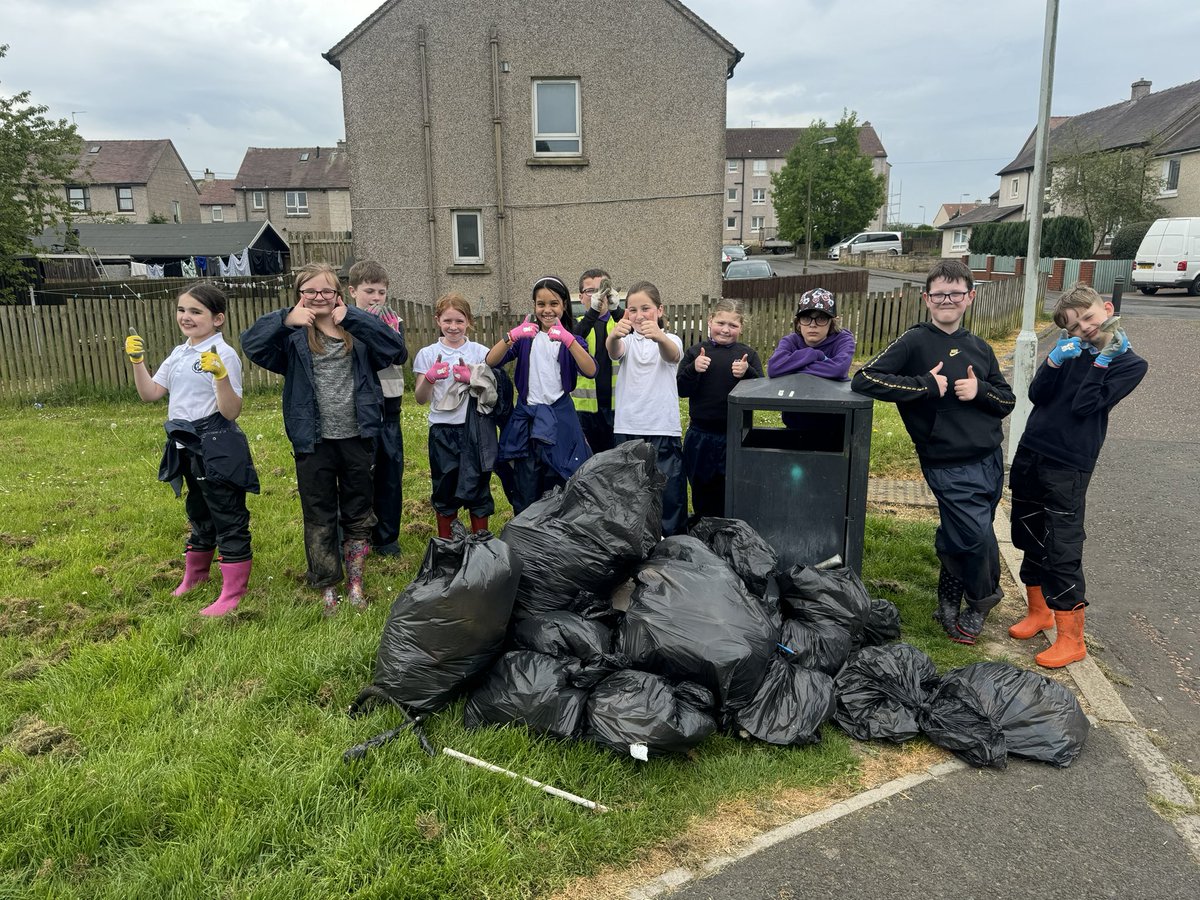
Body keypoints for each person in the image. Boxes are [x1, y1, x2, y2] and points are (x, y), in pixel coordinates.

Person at [852, 259, 1015, 644]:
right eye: (939, 293)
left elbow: (1006, 400)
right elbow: (865, 378)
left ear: (969, 297)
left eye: (955, 293)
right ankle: (981, 599)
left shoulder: (980, 347)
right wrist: (925, 385)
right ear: (927, 299)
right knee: (976, 536)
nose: (947, 299)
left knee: (962, 533)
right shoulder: (915, 341)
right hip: (946, 460)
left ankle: (947, 602)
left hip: (990, 458)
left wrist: (981, 392)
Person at [241, 262, 406, 616]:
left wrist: (355, 319)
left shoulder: (358, 333)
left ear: (338, 294)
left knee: (358, 512)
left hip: (358, 436)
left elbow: (395, 349)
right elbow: (251, 344)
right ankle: (328, 586)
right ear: (300, 296)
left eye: (326, 291)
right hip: (312, 440)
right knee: (318, 514)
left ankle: (356, 583)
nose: (319, 297)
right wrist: (286, 320)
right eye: (310, 291)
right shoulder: (292, 338)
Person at [1008, 283, 1147, 667]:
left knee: (1062, 545)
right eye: (1073, 325)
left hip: (1069, 463)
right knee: (1027, 532)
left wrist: (1102, 361)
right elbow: (1038, 394)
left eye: (1088, 317)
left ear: (1107, 308)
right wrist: (1053, 360)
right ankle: (1039, 612)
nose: (1084, 327)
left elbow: (1086, 405)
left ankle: (1072, 638)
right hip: (1032, 451)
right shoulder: (1070, 352)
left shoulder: (1129, 363)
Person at [125, 283, 258, 617]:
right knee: (199, 513)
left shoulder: (222, 355)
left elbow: (231, 411)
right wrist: (137, 362)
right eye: (182, 310)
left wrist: (222, 377)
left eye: (196, 311)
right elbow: (151, 394)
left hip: (216, 446)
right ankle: (195, 577)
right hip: (184, 446)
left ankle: (232, 592)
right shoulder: (179, 353)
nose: (186, 317)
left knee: (228, 517)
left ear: (218, 319)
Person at [486, 276, 596, 514]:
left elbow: (591, 369)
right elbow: (490, 360)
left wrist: (569, 341)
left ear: (564, 305)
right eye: (541, 304)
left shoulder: (572, 341)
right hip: (528, 420)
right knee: (526, 482)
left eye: (554, 304)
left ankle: (557, 537)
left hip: (559, 418)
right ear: (534, 306)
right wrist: (511, 336)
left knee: (561, 479)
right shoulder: (526, 338)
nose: (547, 310)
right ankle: (526, 535)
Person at [606, 280, 688, 536]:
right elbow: (613, 352)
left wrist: (660, 336)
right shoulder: (628, 342)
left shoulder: (670, 339)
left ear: (660, 310)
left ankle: (671, 542)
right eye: (632, 310)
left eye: (646, 309)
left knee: (669, 491)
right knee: (631, 492)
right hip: (629, 427)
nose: (639, 315)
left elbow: (672, 355)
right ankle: (637, 542)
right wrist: (613, 335)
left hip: (663, 428)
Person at [413, 293, 496, 537]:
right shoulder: (427, 354)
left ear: (468, 321)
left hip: (475, 429)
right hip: (442, 430)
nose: (453, 327)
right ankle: (447, 545)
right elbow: (420, 398)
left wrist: (474, 379)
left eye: (459, 321)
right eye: (448, 321)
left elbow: (492, 394)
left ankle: (481, 542)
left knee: (479, 487)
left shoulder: (481, 352)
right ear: (437, 320)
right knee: (444, 487)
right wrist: (430, 378)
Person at [677, 297, 762, 517]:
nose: (725, 330)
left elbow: (761, 393)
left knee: (732, 492)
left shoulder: (748, 356)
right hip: (700, 437)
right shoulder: (696, 353)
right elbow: (680, 389)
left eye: (733, 325)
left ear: (741, 327)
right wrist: (693, 370)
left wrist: (748, 374)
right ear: (710, 320)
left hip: (735, 437)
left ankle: (731, 537)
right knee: (702, 491)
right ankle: (704, 536)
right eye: (720, 323)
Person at [347, 260, 408, 557]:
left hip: (391, 406)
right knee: (360, 477)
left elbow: (397, 356)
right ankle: (359, 533)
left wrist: (385, 330)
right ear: (352, 291)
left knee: (390, 474)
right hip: (360, 409)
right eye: (369, 291)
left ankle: (387, 537)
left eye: (381, 292)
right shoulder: (344, 322)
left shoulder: (394, 320)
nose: (375, 298)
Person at [766, 287, 856, 430]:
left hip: (835, 421)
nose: (813, 325)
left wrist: (793, 368)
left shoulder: (844, 339)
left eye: (821, 318)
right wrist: (814, 354)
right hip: (796, 422)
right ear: (798, 322)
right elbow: (774, 368)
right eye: (806, 318)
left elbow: (838, 369)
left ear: (832, 321)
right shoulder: (790, 341)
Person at [570, 268, 622, 452]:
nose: (598, 295)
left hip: (618, 408)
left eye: (603, 289)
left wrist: (617, 310)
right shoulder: (578, 324)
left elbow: (634, 330)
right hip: (584, 411)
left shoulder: (620, 322)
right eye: (591, 291)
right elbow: (574, 337)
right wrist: (593, 312)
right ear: (581, 297)